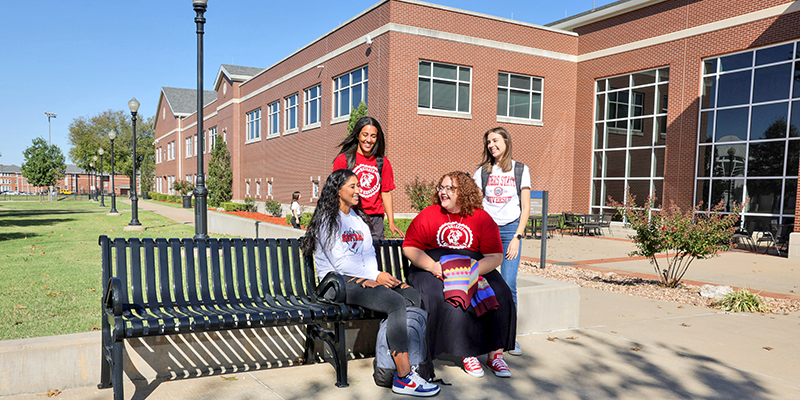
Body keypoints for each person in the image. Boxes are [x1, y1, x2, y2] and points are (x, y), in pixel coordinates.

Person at [301, 169, 440, 397]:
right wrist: (376, 277)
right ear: (338, 190)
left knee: (412, 296)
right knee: (395, 302)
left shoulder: (358, 219)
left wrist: (376, 275)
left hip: (360, 279)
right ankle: (404, 377)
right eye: (352, 186)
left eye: (358, 186)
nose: (358, 190)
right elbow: (340, 263)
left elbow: (368, 257)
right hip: (334, 284)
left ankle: (399, 364)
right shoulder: (328, 219)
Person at [402, 171, 516, 378]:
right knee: (447, 296)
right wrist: (432, 267)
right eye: (441, 188)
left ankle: (495, 356)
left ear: (463, 192)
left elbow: (495, 256)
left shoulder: (481, 217)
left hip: (473, 265)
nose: (443, 192)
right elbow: (410, 248)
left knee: (502, 293)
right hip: (433, 265)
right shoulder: (429, 214)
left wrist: (472, 272)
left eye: (449, 188)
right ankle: (467, 352)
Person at [472, 127, 530, 357]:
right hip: (486, 232)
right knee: (480, 283)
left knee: (508, 285)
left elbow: (525, 208)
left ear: (506, 141)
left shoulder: (520, 170)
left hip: (509, 234)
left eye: (495, 140)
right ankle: (481, 333)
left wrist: (517, 237)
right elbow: (475, 204)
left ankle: (509, 337)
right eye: (488, 142)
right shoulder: (482, 171)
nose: (491, 145)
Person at [333, 116, 404, 240]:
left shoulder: (383, 163)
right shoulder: (344, 160)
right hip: (352, 215)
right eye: (365, 135)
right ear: (357, 135)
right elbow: (337, 192)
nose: (369, 140)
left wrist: (391, 222)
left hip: (375, 221)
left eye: (373, 136)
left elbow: (386, 193)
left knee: (373, 257)